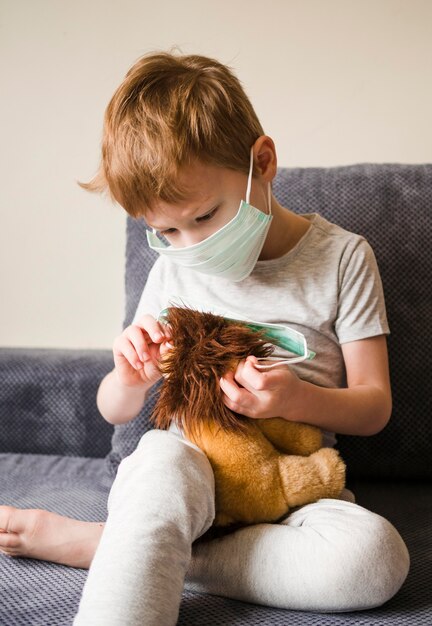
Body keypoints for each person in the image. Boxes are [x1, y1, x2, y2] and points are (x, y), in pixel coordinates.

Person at [0, 50, 410, 625]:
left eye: (207, 216)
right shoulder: (172, 268)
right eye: (166, 231)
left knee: (375, 560)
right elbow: (114, 410)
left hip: (290, 488)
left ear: (261, 162)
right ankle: (146, 541)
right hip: (182, 472)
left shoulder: (343, 259)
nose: (191, 247)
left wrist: (296, 398)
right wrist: (128, 378)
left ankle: (119, 548)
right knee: (158, 464)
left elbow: (374, 407)